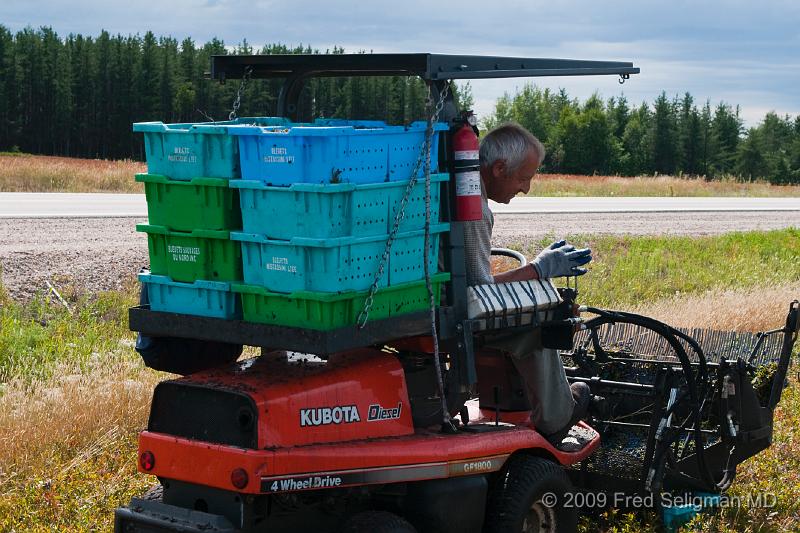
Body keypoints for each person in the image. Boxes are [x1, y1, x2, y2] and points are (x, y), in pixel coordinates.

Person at [463, 122, 592, 446]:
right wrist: (538, 269)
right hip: (449, 312)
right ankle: (558, 417)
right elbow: (481, 290)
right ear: (498, 168)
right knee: (537, 320)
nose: (526, 188)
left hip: (435, 300)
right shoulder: (473, 207)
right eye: (523, 178)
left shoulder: (455, 187)